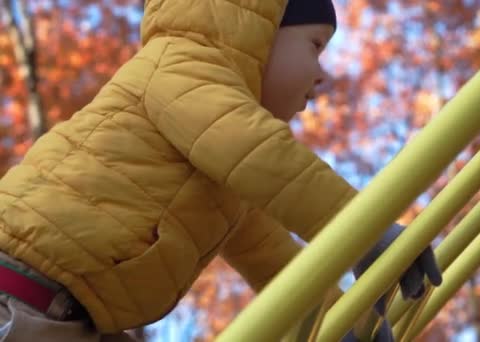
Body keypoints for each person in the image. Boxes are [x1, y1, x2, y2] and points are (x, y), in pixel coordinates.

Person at [0, 0, 441, 341]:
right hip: (18, 294)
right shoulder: (183, 67)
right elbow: (258, 153)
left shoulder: (224, 173)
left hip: (63, 313)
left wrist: (341, 319)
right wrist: (363, 231)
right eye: (315, 46)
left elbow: (273, 259)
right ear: (263, 34)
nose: (321, 75)